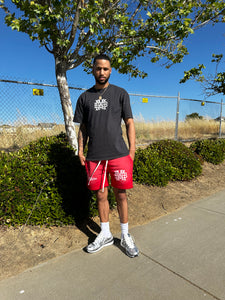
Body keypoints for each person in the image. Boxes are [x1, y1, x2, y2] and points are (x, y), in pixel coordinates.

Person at [73, 54, 139, 258]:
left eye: (106, 69)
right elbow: (83, 128)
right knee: (101, 195)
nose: (102, 72)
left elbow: (129, 122)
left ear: (110, 70)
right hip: (94, 156)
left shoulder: (120, 93)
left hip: (118, 154)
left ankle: (126, 235)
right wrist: (81, 150)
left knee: (121, 195)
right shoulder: (84, 97)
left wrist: (132, 151)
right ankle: (105, 234)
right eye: (98, 68)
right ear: (93, 70)